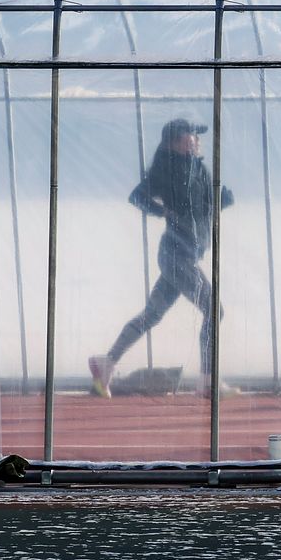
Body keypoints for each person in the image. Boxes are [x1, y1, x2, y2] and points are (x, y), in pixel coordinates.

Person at [89, 118, 234, 398]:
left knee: (152, 314)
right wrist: (163, 212)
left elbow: (201, 208)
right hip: (176, 257)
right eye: (192, 135)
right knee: (215, 310)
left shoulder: (196, 168)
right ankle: (207, 380)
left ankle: (107, 362)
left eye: (197, 134)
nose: (197, 139)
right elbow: (138, 196)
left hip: (182, 255)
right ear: (175, 142)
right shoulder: (169, 169)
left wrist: (220, 201)